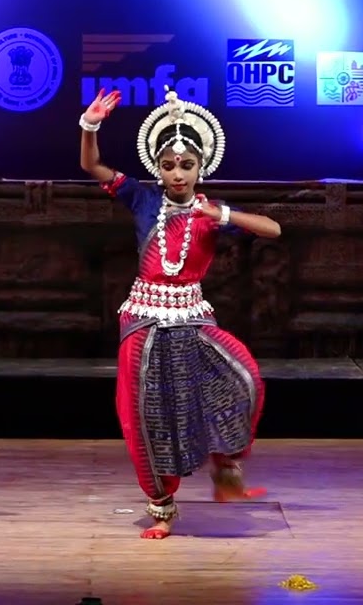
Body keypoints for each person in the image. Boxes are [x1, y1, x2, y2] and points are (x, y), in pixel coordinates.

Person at [78, 87, 282, 539]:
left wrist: (223, 212)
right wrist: (90, 125)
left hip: (191, 315)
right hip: (144, 318)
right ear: (157, 167)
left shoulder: (210, 213)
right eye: (168, 165)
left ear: (201, 166)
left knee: (243, 378)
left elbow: (273, 229)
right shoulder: (143, 200)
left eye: (186, 165)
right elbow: (91, 166)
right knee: (146, 413)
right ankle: (162, 507)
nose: (177, 174)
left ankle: (226, 468)